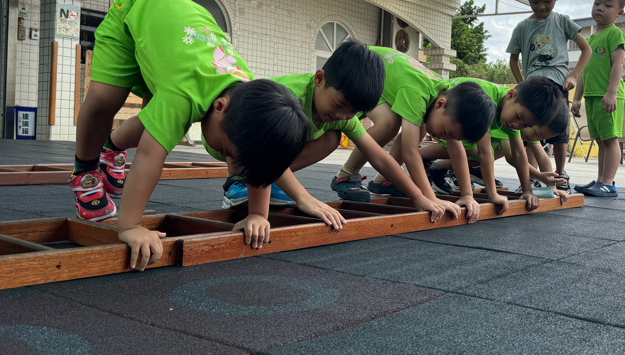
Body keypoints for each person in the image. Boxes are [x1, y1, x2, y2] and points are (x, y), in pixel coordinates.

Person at [70, 0, 308, 268]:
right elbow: (149, 154)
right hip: (134, 14)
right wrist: (130, 226)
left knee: (160, 123)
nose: (231, 168)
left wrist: (258, 214)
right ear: (220, 107)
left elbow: (261, 160)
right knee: (104, 99)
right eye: (226, 152)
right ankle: (85, 172)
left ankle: (110, 150)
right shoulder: (184, 94)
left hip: (176, 34)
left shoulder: (248, 100)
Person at [222, 40, 451, 225]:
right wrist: (304, 198)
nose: (344, 116)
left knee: (331, 138)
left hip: (270, 157)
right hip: (245, 147)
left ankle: (268, 181)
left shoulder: (343, 115)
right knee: (280, 143)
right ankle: (241, 182)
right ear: (319, 79)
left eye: (354, 112)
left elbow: (380, 157)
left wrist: (419, 197)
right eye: (340, 105)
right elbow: (263, 150)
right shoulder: (288, 98)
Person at [332, 46, 494, 222]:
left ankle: (384, 180)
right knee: (388, 123)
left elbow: (456, 149)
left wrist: (467, 195)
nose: (443, 138)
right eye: (446, 132)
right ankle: (347, 174)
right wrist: (430, 197)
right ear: (440, 104)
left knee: (420, 127)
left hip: (378, 76)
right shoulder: (418, 93)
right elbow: (410, 152)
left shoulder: (445, 97)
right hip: (360, 69)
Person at [418, 76, 570, 213]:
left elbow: (519, 155)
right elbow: (486, 152)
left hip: (454, 113)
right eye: (518, 117)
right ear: (510, 95)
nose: (516, 125)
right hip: (452, 110)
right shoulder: (488, 103)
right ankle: (420, 157)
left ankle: (429, 163)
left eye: (524, 125)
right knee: (471, 149)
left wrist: (528, 190)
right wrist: (491, 194)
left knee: (473, 149)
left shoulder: (515, 112)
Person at [506, 0, 591, 192]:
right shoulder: (522, 27)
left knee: (558, 130)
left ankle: (561, 174)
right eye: (535, 2)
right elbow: (513, 61)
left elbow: (586, 50)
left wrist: (573, 75)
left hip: (557, 85)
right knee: (529, 131)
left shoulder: (562, 21)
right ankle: (532, 177)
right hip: (532, 87)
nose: (542, 6)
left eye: (547, 1)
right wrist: (521, 84)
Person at [571, 0, 625, 198]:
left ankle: (608, 183)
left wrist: (611, 93)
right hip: (592, 96)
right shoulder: (590, 40)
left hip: (608, 96)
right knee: (600, 140)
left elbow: (618, 64)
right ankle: (600, 180)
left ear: (619, 13)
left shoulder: (615, 34)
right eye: (597, 3)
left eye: (608, 5)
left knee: (610, 139)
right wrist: (576, 98)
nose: (600, 8)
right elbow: (583, 71)